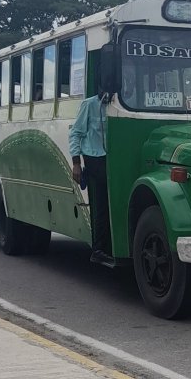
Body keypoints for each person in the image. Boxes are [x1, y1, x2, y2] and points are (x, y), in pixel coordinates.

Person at [69, 92, 112, 266]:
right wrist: (76, 163)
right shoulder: (89, 105)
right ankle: (99, 249)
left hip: (111, 157)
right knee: (102, 203)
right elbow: (75, 133)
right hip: (94, 157)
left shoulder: (120, 105)